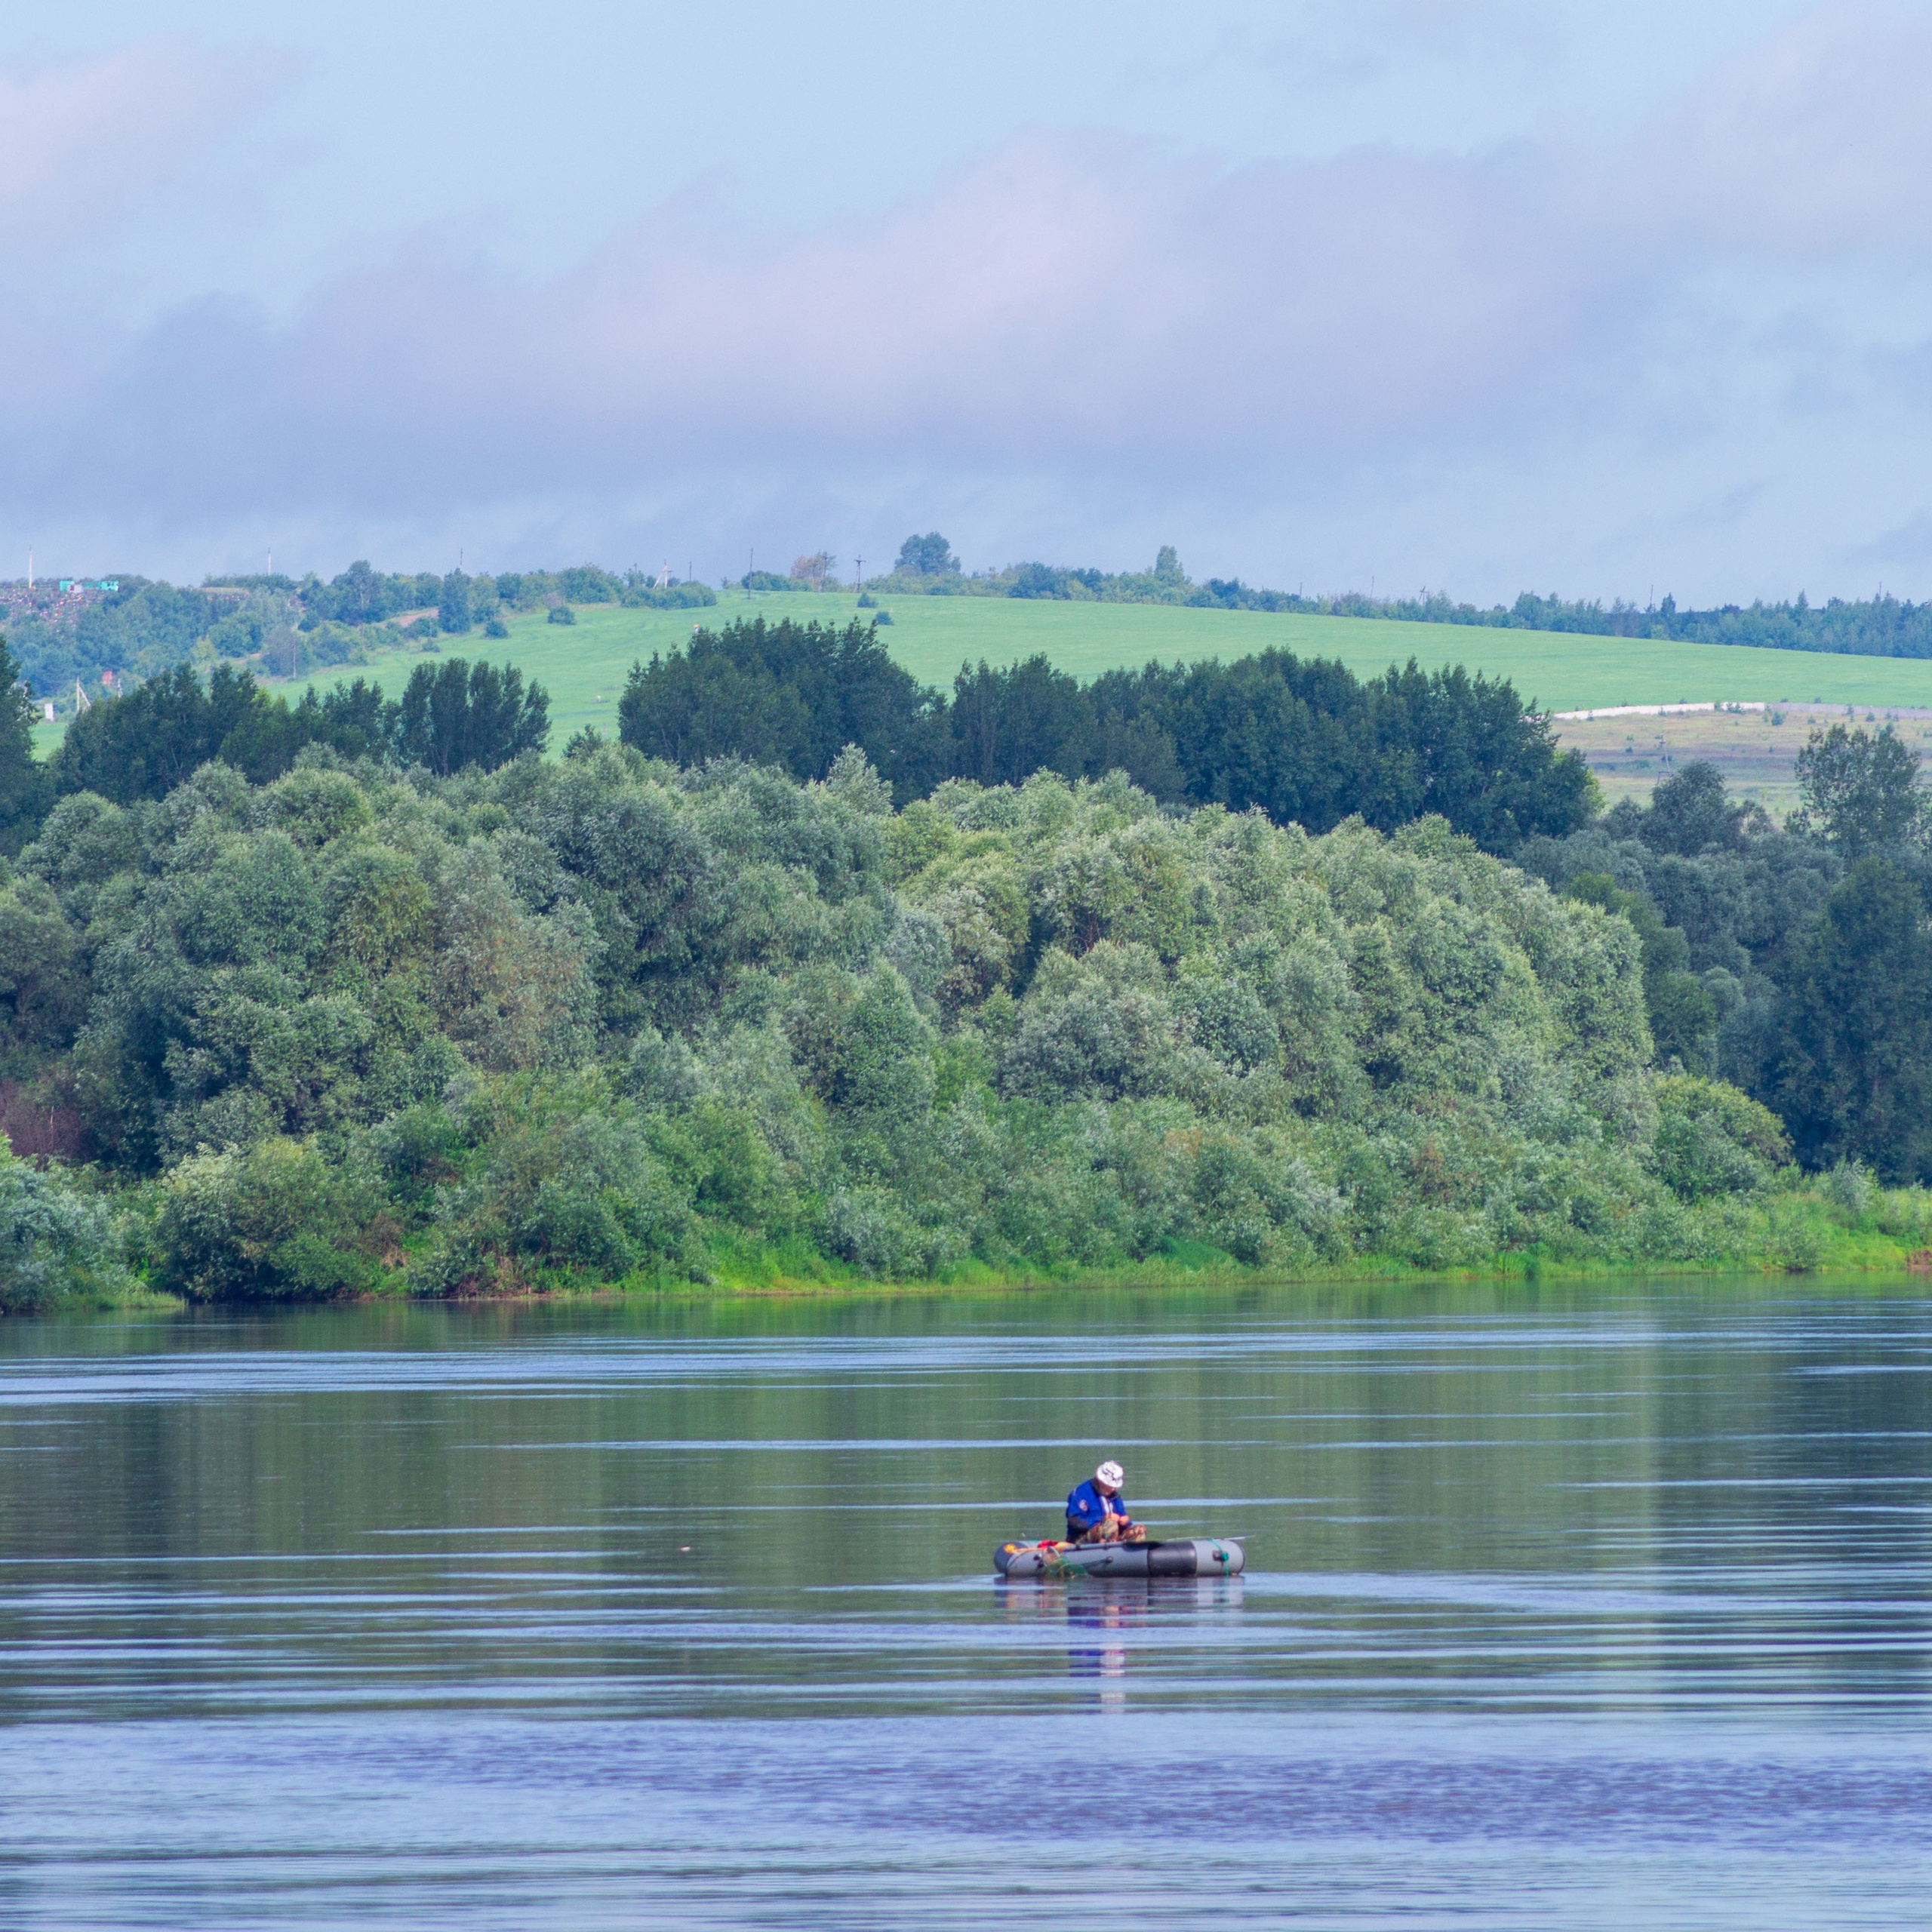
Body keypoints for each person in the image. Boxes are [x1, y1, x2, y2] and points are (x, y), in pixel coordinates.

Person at [1064, 1460, 1144, 1544]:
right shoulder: (1082, 1493)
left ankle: (1131, 1551)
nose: (1113, 1488)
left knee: (1139, 1530)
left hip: (1112, 1536)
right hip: (1081, 1538)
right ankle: (1106, 1550)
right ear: (1100, 1480)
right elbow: (1074, 1522)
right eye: (1109, 1485)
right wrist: (1103, 1518)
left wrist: (1125, 1522)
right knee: (1110, 1524)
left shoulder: (1115, 1496)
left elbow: (1122, 1517)